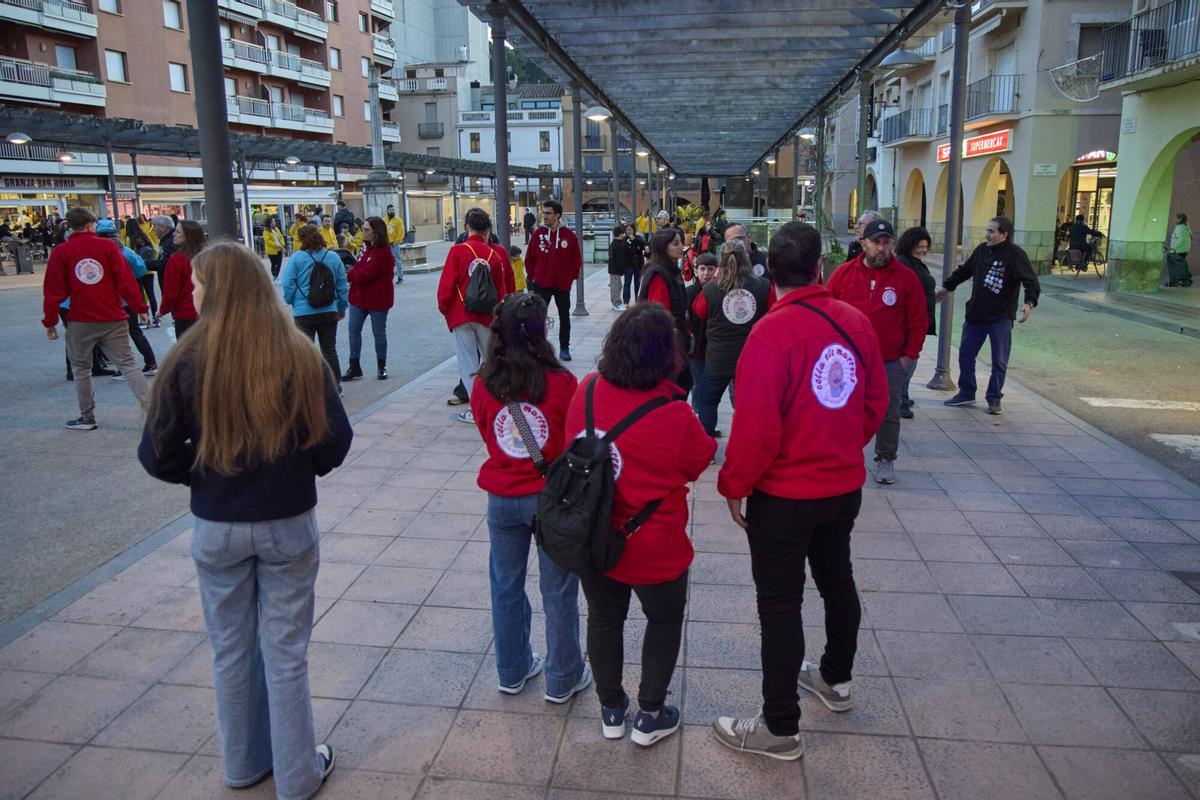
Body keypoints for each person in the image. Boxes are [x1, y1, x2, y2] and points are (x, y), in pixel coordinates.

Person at [139, 241, 348, 799]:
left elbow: (158, 453)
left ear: (219, 288)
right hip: (287, 520)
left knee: (230, 648)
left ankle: (243, 764)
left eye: (198, 282)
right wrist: (296, 469)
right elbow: (335, 441)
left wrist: (203, 475)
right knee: (285, 652)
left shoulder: (185, 357)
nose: (191, 290)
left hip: (217, 523)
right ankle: (298, 775)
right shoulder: (298, 353)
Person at [711, 221, 887, 761]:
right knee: (838, 580)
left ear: (770, 272)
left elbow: (756, 429)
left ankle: (779, 727)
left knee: (780, 605)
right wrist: (840, 446)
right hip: (842, 487)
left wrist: (734, 485)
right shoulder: (856, 322)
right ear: (819, 268)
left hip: (784, 496)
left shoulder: (769, 335)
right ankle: (836, 680)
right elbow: (875, 401)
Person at [565, 303, 716, 746]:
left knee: (604, 620)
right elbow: (700, 460)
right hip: (656, 544)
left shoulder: (587, 390)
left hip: (596, 536)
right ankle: (651, 715)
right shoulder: (674, 413)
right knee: (663, 621)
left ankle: (612, 710)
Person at [470, 293, 590, 702]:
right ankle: (563, 677)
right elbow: (575, 441)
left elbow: (489, 435)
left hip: (502, 498)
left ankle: (512, 669)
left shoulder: (483, 384)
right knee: (558, 590)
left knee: (505, 585)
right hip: (549, 499)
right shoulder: (561, 383)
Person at [827, 219, 926, 485]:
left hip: (890, 361)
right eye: (876, 242)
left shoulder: (906, 278)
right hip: (849, 362)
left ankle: (885, 458)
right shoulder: (844, 274)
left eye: (887, 242)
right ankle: (842, 455)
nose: (882, 248)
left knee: (888, 412)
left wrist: (908, 356)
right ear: (864, 244)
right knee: (843, 409)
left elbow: (918, 320)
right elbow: (826, 312)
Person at [41, 207, 151, 430]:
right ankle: (154, 412)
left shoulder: (62, 252)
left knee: (82, 369)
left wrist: (50, 320)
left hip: (81, 319)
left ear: (71, 226)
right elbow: (125, 280)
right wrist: (140, 307)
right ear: (91, 224)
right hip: (113, 315)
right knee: (128, 365)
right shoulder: (108, 247)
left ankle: (87, 416)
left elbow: (53, 289)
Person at [939, 216, 1040, 415]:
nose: (987, 235)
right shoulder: (982, 250)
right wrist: (946, 287)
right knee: (966, 355)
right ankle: (967, 392)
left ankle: (994, 398)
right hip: (976, 315)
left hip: (1000, 317)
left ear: (1004, 234)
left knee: (999, 361)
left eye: (992, 231)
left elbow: (1031, 282)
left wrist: (1029, 303)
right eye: (987, 230)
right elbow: (965, 271)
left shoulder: (1015, 255)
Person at [437, 207, 515, 424]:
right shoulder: (496, 254)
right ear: (488, 229)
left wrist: (447, 312)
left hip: (462, 315)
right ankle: (495, 403)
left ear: (467, 227)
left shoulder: (457, 251)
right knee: (491, 362)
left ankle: (476, 409)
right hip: (488, 317)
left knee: (467, 363)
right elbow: (504, 290)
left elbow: (445, 289)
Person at [691, 239, 772, 436]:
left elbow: (699, 311)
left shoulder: (710, 289)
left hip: (718, 357)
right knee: (752, 404)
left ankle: (706, 448)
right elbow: (773, 312)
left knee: (708, 400)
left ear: (722, 261)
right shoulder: (763, 285)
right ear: (746, 258)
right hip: (751, 356)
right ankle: (749, 444)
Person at [282, 224, 350, 388]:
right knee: (329, 349)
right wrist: (341, 307)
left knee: (305, 351)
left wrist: (292, 301)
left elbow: (287, 283)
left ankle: (308, 387)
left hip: (303, 312)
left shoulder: (298, 258)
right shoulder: (333, 257)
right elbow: (342, 285)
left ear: (302, 240)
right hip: (328, 310)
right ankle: (335, 386)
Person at [96, 219, 157, 376]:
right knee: (134, 330)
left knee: (113, 335)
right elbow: (140, 270)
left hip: (110, 300)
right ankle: (151, 362)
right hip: (129, 297)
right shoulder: (126, 251)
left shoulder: (99, 252)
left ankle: (123, 367)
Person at [524, 200, 582, 362]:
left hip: (562, 285)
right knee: (538, 317)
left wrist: (571, 277)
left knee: (564, 316)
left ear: (557, 215)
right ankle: (538, 347)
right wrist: (533, 276)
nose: (545, 216)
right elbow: (530, 258)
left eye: (548, 213)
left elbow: (576, 260)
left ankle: (564, 347)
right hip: (541, 284)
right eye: (544, 212)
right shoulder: (538, 234)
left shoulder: (569, 236)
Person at [638, 228, 693, 393]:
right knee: (676, 388)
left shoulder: (669, 271)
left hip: (673, 342)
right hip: (666, 346)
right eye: (676, 243)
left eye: (681, 242)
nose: (681, 247)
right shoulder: (659, 274)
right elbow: (659, 316)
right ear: (663, 247)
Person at [342, 216, 394, 382]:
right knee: (353, 331)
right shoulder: (365, 246)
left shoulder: (384, 252)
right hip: (359, 297)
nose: (363, 232)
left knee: (378, 333)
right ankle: (354, 365)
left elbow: (366, 273)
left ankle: (381, 366)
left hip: (377, 299)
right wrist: (354, 273)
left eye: (367, 230)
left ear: (376, 232)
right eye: (363, 229)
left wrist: (349, 275)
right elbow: (359, 265)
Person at [893, 226, 936, 419]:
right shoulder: (904, 264)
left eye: (925, 246)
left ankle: (903, 395)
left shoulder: (916, 263)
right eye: (919, 246)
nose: (923, 250)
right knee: (908, 362)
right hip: (908, 323)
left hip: (918, 320)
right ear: (910, 245)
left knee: (911, 361)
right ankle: (900, 400)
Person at [159, 219, 205, 339]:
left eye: (178, 232)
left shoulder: (177, 260)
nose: (174, 234)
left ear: (189, 236)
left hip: (185, 314)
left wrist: (162, 310)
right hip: (210, 312)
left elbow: (171, 291)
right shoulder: (210, 256)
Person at [685, 253, 718, 406]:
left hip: (713, 347)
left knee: (709, 386)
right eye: (702, 269)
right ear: (696, 270)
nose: (706, 273)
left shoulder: (720, 291)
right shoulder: (689, 292)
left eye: (710, 269)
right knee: (698, 385)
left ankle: (705, 419)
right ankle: (698, 416)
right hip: (695, 348)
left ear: (716, 270)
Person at [125, 219, 160, 327]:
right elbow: (154, 250)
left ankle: (145, 320)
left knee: (140, 295)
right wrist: (149, 261)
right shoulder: (145, 236)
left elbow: (128, 255)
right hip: (148, 269)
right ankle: (156, 318)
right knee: (151, 294)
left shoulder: (129, 238)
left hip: (136, 271)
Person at [146, 214, 180, 293]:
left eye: (154, 226)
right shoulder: (167, 240)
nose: (152, 229)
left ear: (163, 227)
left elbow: (166, 263)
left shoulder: (170, 242)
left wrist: (146, 263)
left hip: (172, 288)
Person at [607, 224, 633, 312]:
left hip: (615, 269)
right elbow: (617, 259)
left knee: (618, 285)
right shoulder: (616, 245)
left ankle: (617, 302)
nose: (623, 235)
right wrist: (621, 268)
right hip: (615, 270)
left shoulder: (617, 244)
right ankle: (616, 304)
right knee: (616, 286)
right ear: (619, 235)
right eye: (622, 234)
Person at [622, 222, 646, 306]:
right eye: (627, 230)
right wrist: (635, 248)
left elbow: (643, 245)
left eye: (630, 230)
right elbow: (626, 250)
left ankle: (637, 298)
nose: (628, 231)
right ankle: (626, 301)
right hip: (628, 264)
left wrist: (634, 241)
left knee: (637, 282)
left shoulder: (638, 237)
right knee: (627, 283)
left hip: (638, 264)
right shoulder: (624, 239)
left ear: (633, 230)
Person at [1167, 212, 1193, 287]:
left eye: (1176, 218)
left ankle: (1174, 282)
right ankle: (1184, 280)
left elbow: (1180, 240)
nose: (1174, 219)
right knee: (1180, 266)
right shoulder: (1186, 226)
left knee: (1173, 266)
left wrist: (1172, 247)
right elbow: (1191, 236)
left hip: (1178, 250)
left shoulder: (1180, 227)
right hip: (1183, 249)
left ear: (1180, 219)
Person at [386, 203, 406, 284]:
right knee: (387, 261)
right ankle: (388, 277)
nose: (391, 211)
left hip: (394, 244)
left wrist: (396, 241)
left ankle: (400, 277)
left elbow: (401, 232)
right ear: (387, 211)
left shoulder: (398, 220)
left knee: (397, 260)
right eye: (390, 210)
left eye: (393, 210)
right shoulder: (384, 220)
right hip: (386, 244)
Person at [263, 217, 286, 282]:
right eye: (273, 221)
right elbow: (267, 241)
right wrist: (277, 245)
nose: (274, 222)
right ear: (269, 223)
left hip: (280, 249)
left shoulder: (276, 229)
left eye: (274, 221)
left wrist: (282, 243)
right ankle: (274, 277)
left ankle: (276, 276)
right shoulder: (266, 231)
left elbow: (281, 236)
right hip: (272, 250)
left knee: (279, 263)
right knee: (274, 264)